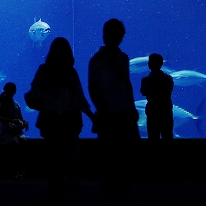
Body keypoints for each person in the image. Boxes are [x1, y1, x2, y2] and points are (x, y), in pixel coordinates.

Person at [27, 37, 94, 204]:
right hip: (69, 119)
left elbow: (34, 92)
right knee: (68, 153)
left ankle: (55, 188)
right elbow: (79, 98)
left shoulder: (45, 70)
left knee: (54, 156)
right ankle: (66, 187)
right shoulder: (70, 72)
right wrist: (92, 116)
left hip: (51, 119)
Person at [88, 18, 139, 205]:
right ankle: (110, 190)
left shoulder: (123, 58)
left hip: (123, 112)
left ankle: (122, 190)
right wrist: (102, 109)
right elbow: (92, 88)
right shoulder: (97, 60)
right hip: (110, 114)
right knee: (109, 155)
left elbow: (126, 84)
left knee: (123, 154)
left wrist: (131, 106)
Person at [0, 81, 29, 179]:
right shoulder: (0, 104)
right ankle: (13, 170)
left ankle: (22, 169)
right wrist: (12, 121)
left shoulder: (16, 104)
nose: (10, 93)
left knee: (24, 141)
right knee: (14, 143)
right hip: (5, 132)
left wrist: (25, 122)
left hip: (16, 131)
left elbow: (20, 118)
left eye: (12, 92)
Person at [140, 53, 174, 140]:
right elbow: (169, 91)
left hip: (152, 112)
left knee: (153, 137)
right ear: (162, 64)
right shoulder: (168, 78)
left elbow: (143, 93)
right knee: (167, 136)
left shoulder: (146, 79)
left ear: (149, 64)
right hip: (166, 111)